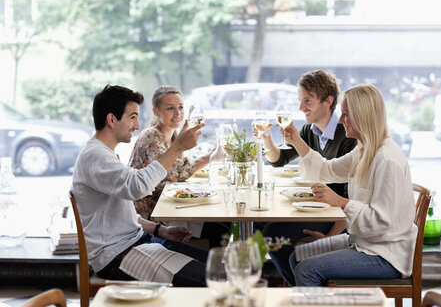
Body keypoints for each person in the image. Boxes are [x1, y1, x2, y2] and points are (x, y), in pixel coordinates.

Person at [70, 84, 208, 286]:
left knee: (218, 265)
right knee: (215, 278)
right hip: (117, 255)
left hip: (138, 242)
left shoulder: (106, 154)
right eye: (132, 117)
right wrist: (177, 148)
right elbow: (139, 186)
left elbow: (119, 214)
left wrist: (160, 230)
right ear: (111, 119)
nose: (137, 125)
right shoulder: (95, 156)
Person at [284, 84, 416, 286]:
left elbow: (382, 222)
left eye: (346, 114)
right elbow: (326, 171)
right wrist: (296, 140)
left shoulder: (387, 160)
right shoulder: (363, 151)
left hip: (386, 255)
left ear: (364, 116)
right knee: (296, 257)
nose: (341, 121)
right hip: (364, 243)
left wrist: (340, 202)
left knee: (307, 269)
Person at [253, 70, 356, 285]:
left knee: (272, 233)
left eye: (307, 100)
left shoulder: (347, 136)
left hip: (337, 217)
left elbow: (351, 199)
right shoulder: (311, 130)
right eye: (300, 101)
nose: (301, 108)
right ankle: (302, 281)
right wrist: (266, 139)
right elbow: (279, 159)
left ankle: (304, 287)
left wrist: (332, 237)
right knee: (258, 224)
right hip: (318, 207)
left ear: (328, 101)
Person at [128, 85, 229, 248]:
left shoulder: (173, 137)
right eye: (170, 108)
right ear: (155, 111)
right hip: (153, 214)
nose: (178, 113)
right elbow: (175, 173)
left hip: (169, 207)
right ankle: (210, 269)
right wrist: (209, 156)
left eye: (181, 107)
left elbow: (181, 170)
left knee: (224, 223)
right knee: (220, 230)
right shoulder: (151, 136)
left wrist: (211, 155)